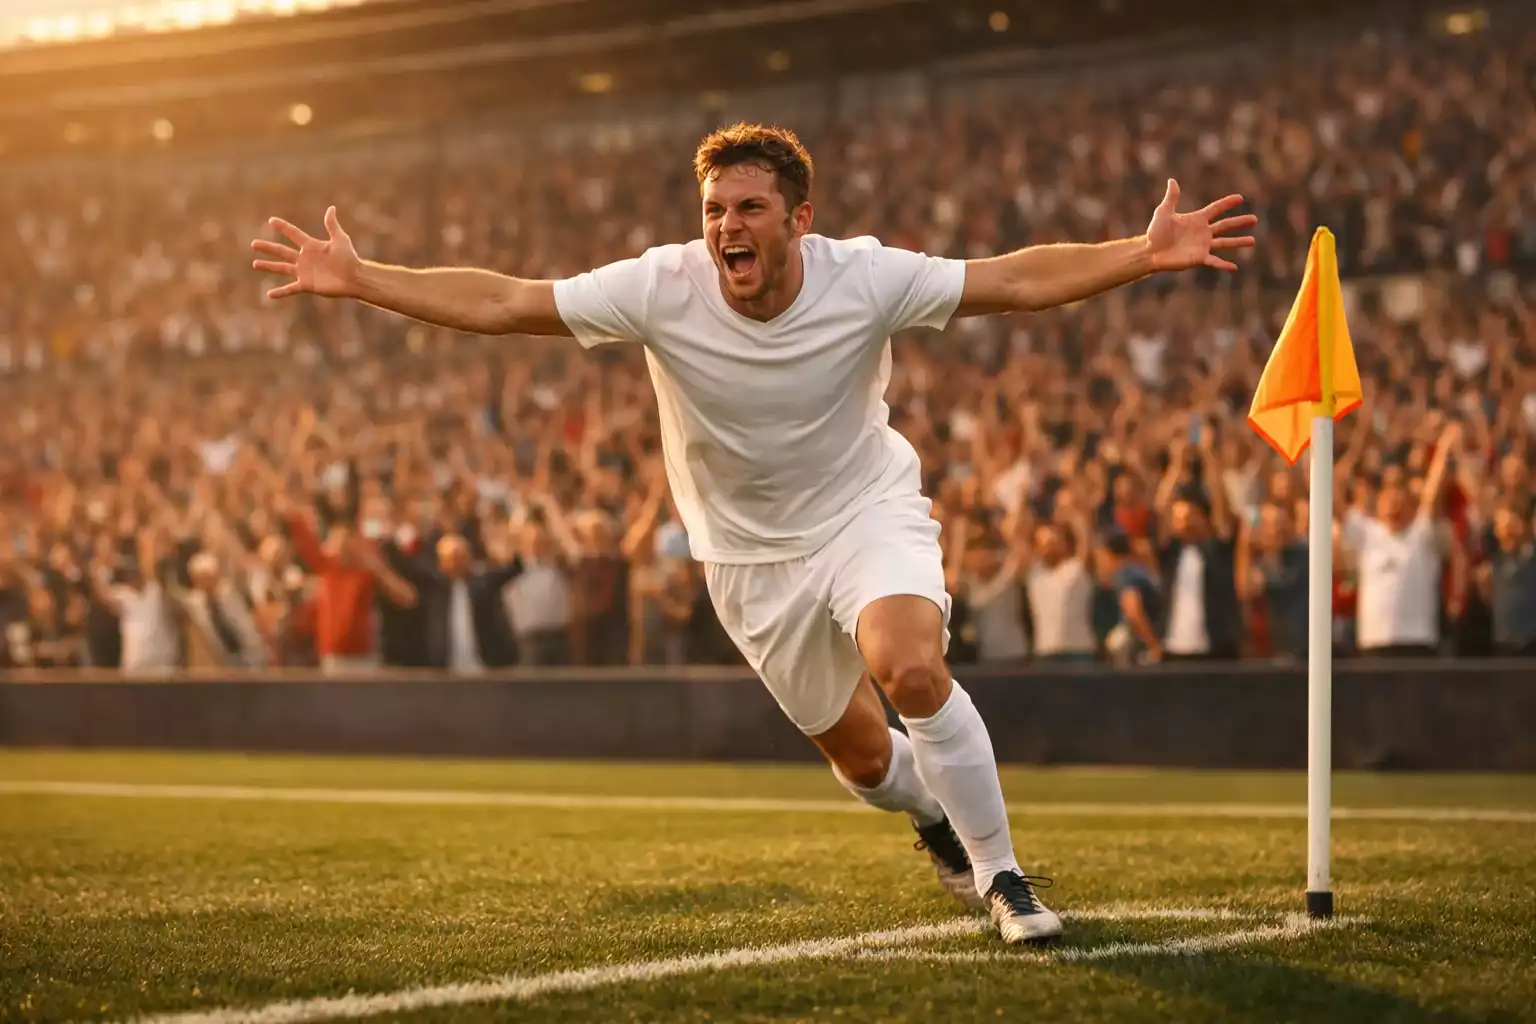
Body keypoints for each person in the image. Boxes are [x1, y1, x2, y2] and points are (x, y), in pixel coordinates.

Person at [252, 122, 1257, 944]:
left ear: (799, 219)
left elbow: (1012, 280)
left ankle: (1006, 881)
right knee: (867, 764)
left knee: (909, 668)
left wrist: (1143, 252)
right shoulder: (661, 284)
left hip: (867, 512)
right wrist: (366, 277)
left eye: (749, 208)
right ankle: (931, 815)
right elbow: (511, 302)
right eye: (715, 210)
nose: (727, 226)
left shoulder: (863, 275)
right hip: (743, 558)